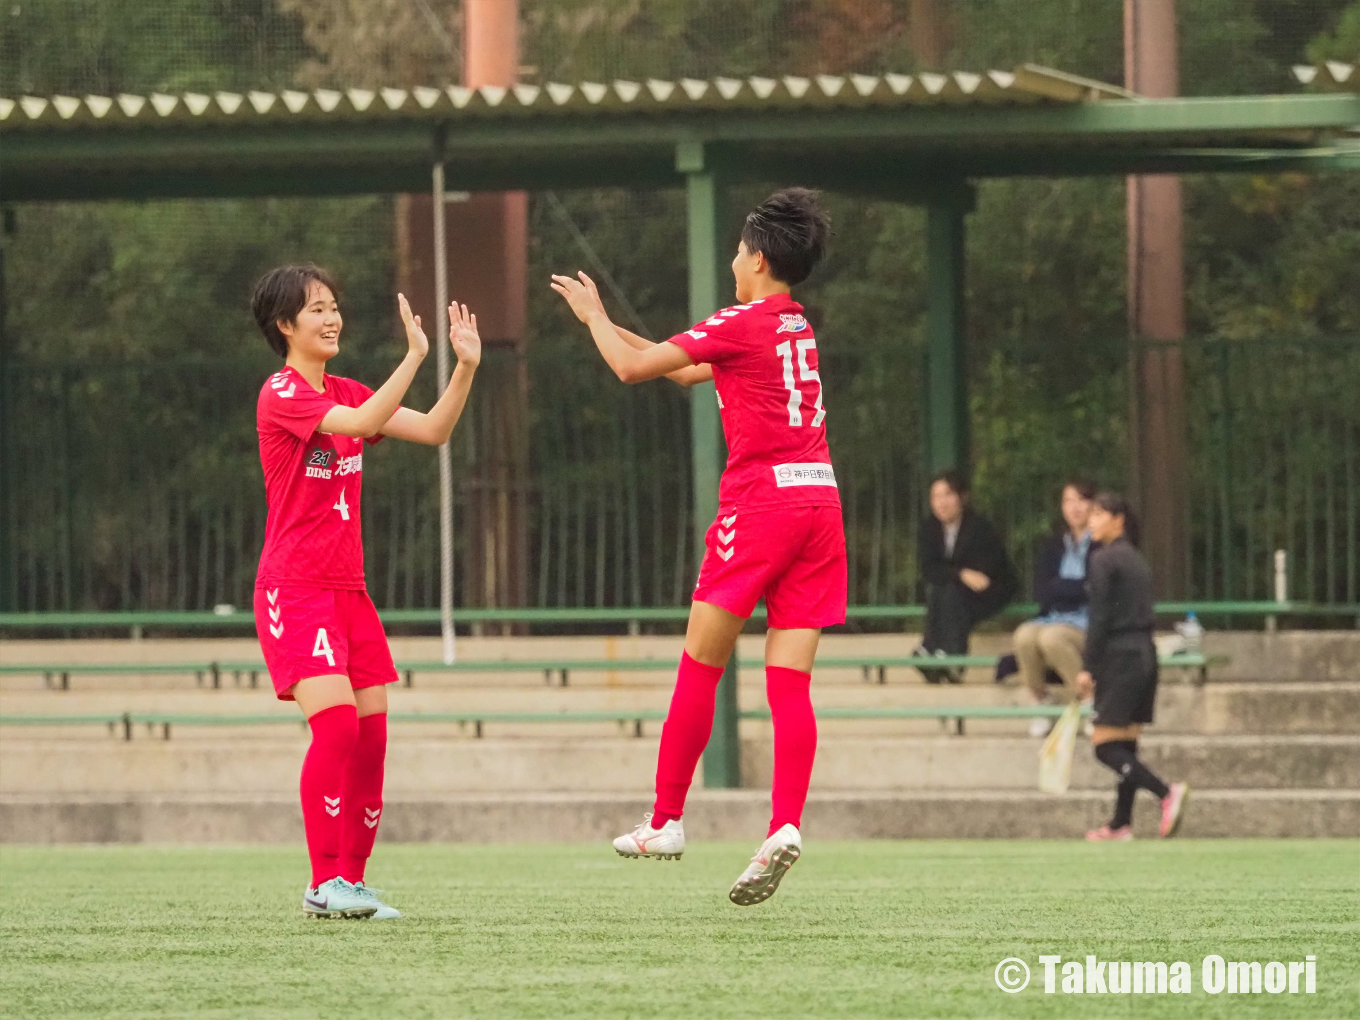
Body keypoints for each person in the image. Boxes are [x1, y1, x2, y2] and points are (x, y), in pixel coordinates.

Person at [550, 188, 842, 907]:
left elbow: (632, 371)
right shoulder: (794, 327)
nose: (734, 259)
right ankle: (783, 825)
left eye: (741, 249)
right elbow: (682, 367)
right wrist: (613, 322)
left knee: (701, 662)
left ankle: (666, 819)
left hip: (763, 504)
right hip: (820, 505)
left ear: (760, 258)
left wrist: (592, 319)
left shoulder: (740, 320)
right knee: (790, 683)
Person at [251, 264, 481, 918]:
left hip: (349, 590)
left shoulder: (347, 387)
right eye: (316, 309)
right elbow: (353, 426)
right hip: (295, 586)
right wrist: (413, 356)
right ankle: (322, 883)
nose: (331, 318)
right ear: (284, 325)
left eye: (334, 306)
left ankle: (350, 883)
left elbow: (434, 430)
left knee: (372, 736)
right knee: (336, 727)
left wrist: (463, 368)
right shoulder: (282, 392)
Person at [1076, 491, 1189, 841]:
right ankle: (1120, 823)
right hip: (1144, 654)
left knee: (1104, 746)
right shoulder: (1137, 560)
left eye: (1097, 515)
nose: (1090, 521)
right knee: (1126, 742)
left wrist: (1088, 667)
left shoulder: (1104, 560)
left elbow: (1100, 618)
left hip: (1120, 657)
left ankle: (1165, 792)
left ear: (1118, 519)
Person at [915, 470, 1017, 683]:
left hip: (988, 592)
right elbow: (929, 569)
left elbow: (986, 572)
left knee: (948, 592)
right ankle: (945, 657)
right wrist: (959, 573)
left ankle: (934, 650)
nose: (941, 503)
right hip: (952, 594)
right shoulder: (929, 529)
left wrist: (958, 575)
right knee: (943, 590)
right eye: (936, 497)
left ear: (962, 498)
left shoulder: (980, 528)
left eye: (948, 495)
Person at [1014, 478, 1095, 737]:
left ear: (1093, 505)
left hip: (1087, 622)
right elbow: (1043, 590)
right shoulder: (1055, 545)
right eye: (1068, 501)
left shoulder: (1101, 543)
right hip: (1054, 616)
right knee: (1024, 636)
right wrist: (1075, 588)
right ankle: (1040, 701)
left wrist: (1063, 587)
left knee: (1052, 638)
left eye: (1081, 500)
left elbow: (1095, 589)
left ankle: (1089, 700)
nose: (1075, 507)